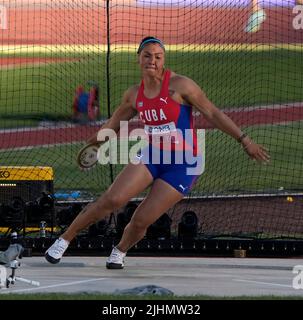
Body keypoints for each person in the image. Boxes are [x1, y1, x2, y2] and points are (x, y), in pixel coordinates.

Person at [45, 36, 270, 269]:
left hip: (183, 164)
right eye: (147, 55)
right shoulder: (134, 94)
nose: (152, 60)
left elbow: (213, 114)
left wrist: (244, 140)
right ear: (138, 59)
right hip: (152, 155)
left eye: (157, 56)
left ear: (164, 60)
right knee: (112, 199)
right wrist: (93, 146)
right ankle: (64, 239)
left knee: (141, 220)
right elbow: (113, 124)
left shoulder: (181, 86)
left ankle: (119, 251)